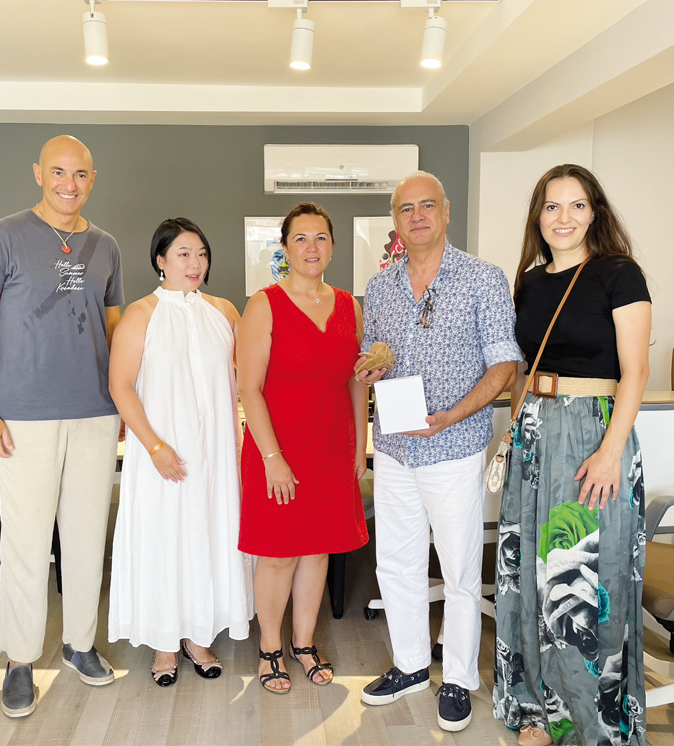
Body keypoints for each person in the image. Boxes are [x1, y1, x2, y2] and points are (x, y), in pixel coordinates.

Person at [0, 135, 122, 718]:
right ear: (38, 173)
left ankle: (80, 645)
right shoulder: (1, 236)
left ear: (92, 179)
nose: (68, 184)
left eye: (79, 174)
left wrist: (126, 405)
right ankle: (20, 660)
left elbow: (116, 331)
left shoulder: (106, 245)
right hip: (24, 415)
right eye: (58, 172)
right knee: (27, 541)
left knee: (86, 537)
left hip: (95, 413)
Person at [355, 171, 520, 733]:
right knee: (396, 562)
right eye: (406, 209)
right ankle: (408, 666)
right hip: (395, 448)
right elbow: (371, 355)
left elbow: (504, 365)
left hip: (454, 446)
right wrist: (370, 369)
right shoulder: (380, 286)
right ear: (395, 222)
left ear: (446, 212)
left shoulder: (482, 278)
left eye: (428, 206)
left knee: (459, 568)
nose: (418, 216)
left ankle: (457, 678)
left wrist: (453, 414)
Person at [491, 164, 651, 746]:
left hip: (594, 435)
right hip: (535, 435)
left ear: (595, 212)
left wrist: (610, 453)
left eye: (577, 205)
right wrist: (515, 434)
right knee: (529, 577)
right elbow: (522, 368)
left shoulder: (619, 274)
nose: (564, 217)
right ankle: (538, 711)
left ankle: (595, 721)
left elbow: (636, 372)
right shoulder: (530, 283)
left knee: (585, 577)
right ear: (538, 216)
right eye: (552, 206)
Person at [106, 217, 253, 686]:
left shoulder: (224, 310)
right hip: (161, 454)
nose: (195, 263)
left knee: (208, 535)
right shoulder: (140, 314)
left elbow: (252, 373)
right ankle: (165, 642)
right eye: (184, 253)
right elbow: (120, 386)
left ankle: (198, 635)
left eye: (202, 253)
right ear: (161, 260)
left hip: (217, 455)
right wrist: (154, 447)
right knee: (165, 539)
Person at [237, 202, 369, 695]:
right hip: (278, 449)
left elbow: (356, 381)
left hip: (331, 446)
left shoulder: (349, 305)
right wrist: (273, 458)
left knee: (317, 550)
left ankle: (304, 642)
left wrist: (357, 445)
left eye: (320, 238)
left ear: (332, 246)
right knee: (278, 554)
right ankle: (270, 647)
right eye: (301, 238)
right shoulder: (264, 304)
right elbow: (249, 388)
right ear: (285, 248)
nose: (311, 247)